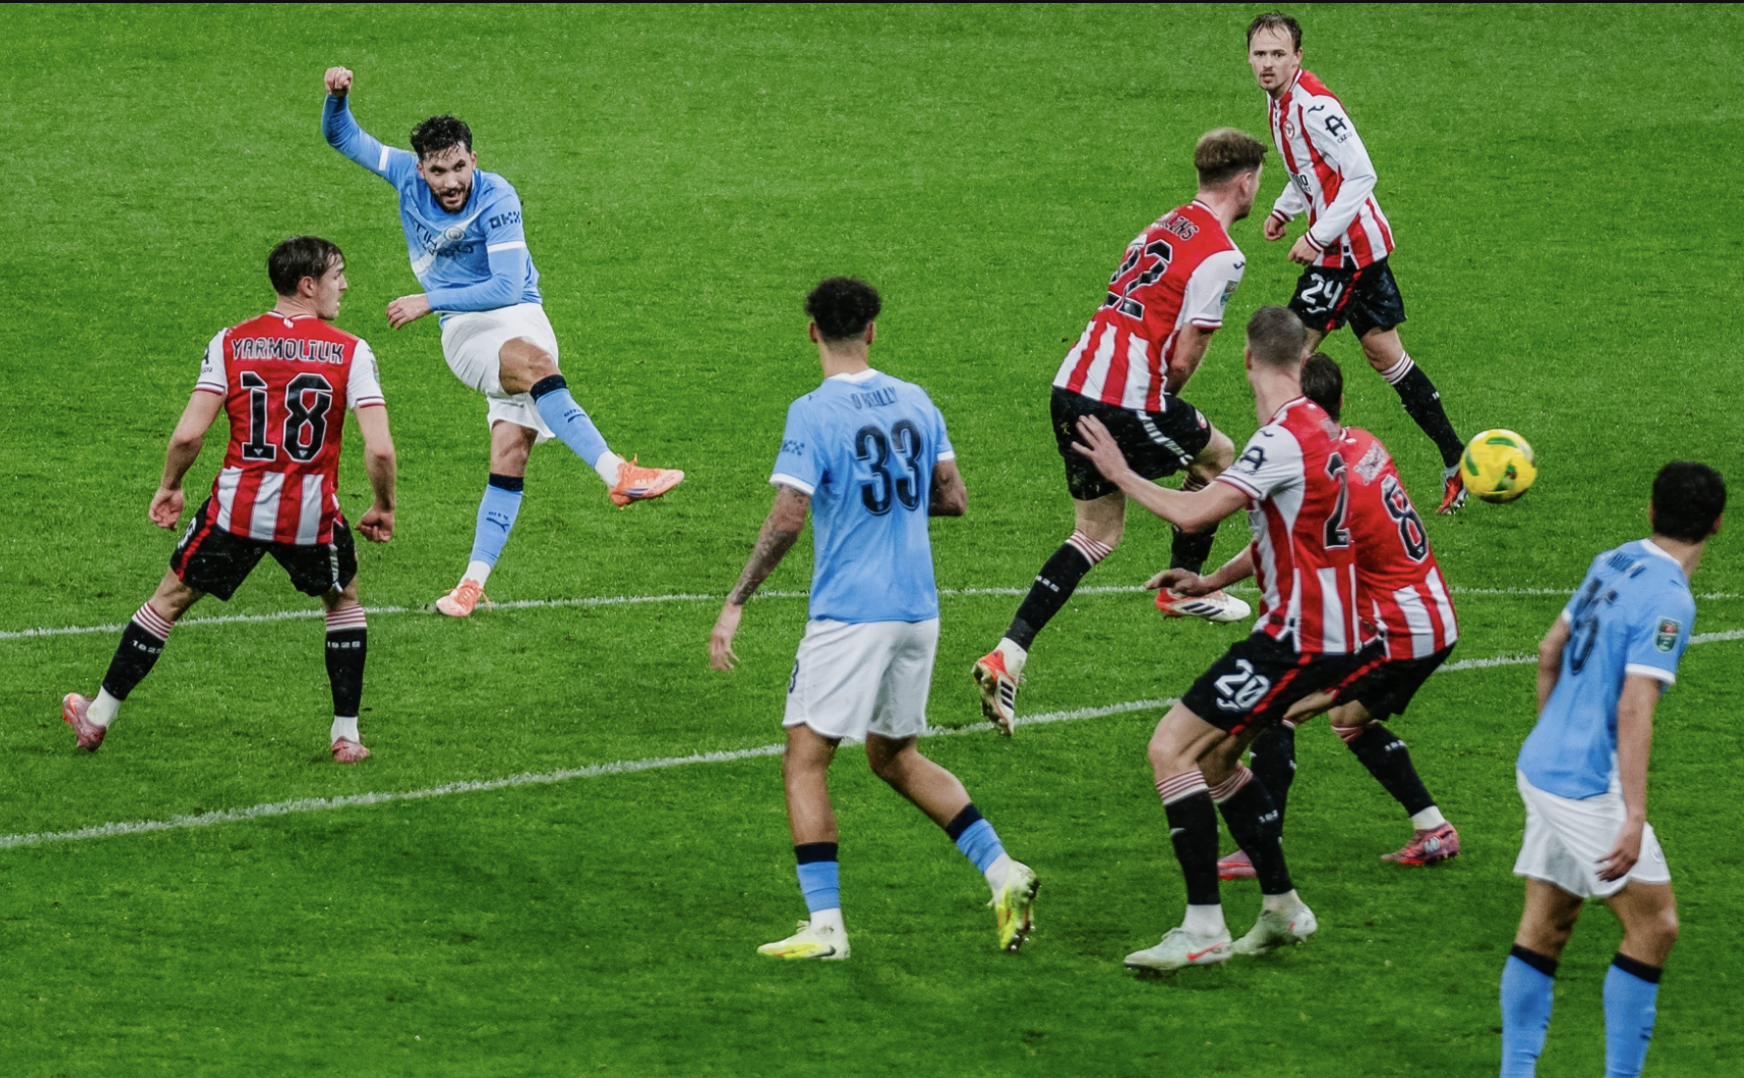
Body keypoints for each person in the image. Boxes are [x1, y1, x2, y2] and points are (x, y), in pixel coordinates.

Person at [709, 277, 1039, 960]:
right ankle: (1005, 872)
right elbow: (953, 498)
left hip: (851, 616)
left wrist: (737, 598)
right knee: (893, 756)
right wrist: (886, 503)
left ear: (812, 334)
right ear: (873, 331)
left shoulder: (812, 412)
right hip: (918, 610)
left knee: (804, 761)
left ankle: (826, 927)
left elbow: (788, 515)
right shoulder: (918, 401)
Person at [320, 66, 682, 617]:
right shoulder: (403, 175)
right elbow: (342, 137)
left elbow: (508, 286)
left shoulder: (498, 196)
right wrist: (337, 99)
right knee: (534, 367)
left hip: (519, 313)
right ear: (421, 168)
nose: (450, 182)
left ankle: (469, 584)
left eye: (459, 167)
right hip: (466, 333)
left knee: (511, 453)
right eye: (438, 171)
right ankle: (618, 474)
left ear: (473, 159)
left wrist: (427, 299)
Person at [1073, 306, 1360, 972]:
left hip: (1294, 641)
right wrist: (1211, 581)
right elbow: (1287, 532)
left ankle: (1201, 925)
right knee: (1218, 762)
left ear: (1247, 359)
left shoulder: (1280, 438)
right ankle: (1284, 907)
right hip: (1329, 633)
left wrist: (1119, 471)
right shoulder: (1323, 429)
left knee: (1170, 748)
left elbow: (1196, 509)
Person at [971, 128, 1270, 735]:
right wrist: (1156, 410)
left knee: (1096, 534)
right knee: (1219, 459)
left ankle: (1008, 655)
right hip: (1122, 398)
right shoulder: (1223, 255)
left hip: (1070, 382)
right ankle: (1184, 588)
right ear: (1246, 180)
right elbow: (1185, 357)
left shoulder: (1165, 223)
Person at [61, 237, 396, 763]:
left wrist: (170, 485)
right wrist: (383, 504)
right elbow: (378, 448)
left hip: (234, 512)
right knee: (343, 603)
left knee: (167, 602)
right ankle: (347, 737)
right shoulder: (352, 350)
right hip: (311, 516)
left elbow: (189, 436)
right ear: (308, 285)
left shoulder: (231, 342)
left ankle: (97, 716)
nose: (345, 286)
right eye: (338, 276)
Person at [1160, 354, 1461, 878]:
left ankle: (1260, 845)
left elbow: (1286, 545)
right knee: (1349, 719)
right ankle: (1432, 828)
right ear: (1341, 403)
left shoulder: (1321, 469)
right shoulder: (1364, 446)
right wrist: (1211, 582)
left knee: (1277, 709)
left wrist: (1210, 579)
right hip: (1429, 612)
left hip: (1398, 631)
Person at [1499, 462, 1724, 1078]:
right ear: (1718, 524)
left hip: (1542, 766)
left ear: (1650, 511)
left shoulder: (1616, 558)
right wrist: (1633, 815)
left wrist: (1552, 734)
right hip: (1584, 788)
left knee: (1548, 924)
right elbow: (1635, 703)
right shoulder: (1671, 600)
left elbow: (1549, 651)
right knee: (1656, 927)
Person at [1245, 11, 1469, 514]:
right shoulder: (1279, 99)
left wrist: (1317, 236)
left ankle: (1295, 481)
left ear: (1298, 57)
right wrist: (1286, 206)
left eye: (1278, 54)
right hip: (1356, 250)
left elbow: (1361, 173)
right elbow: (1312, 167)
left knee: (1280, 363)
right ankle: (1457, 463)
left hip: (1344, 255)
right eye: (1260, 54)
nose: (1268, 64)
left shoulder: (1314, 105)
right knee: (1387, 356)